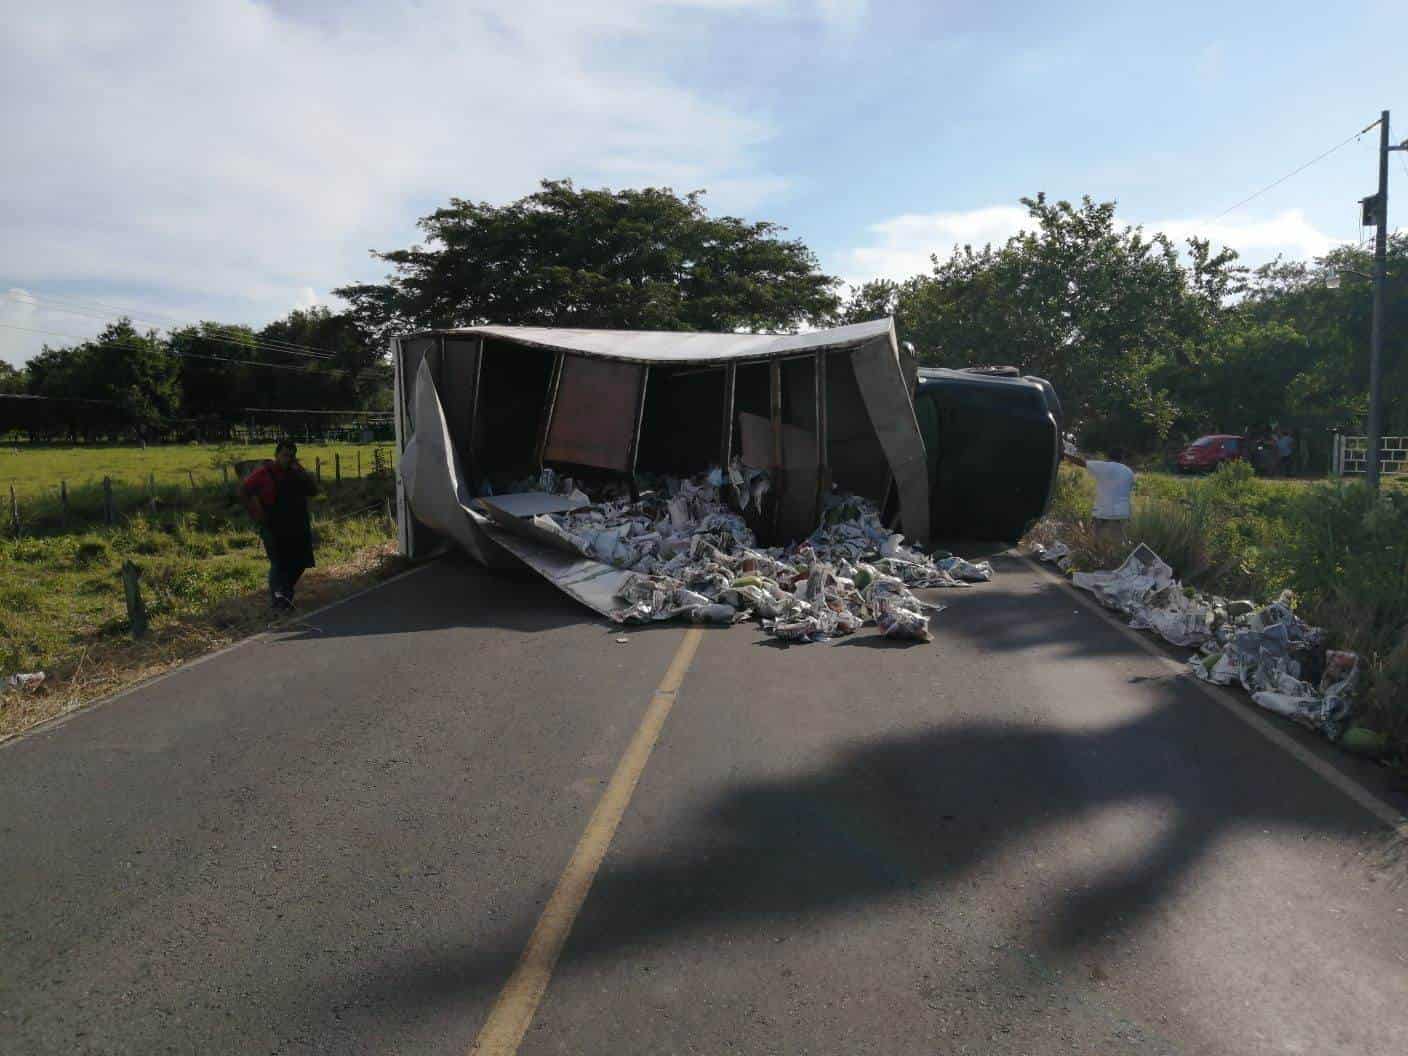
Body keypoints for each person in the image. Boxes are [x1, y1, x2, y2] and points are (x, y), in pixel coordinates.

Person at [241, 440, 318, 612]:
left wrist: (302, 472)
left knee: (300, 562)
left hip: (297, 525)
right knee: (279, 564)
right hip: (273, 525)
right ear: (276, 455)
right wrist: (257, 513)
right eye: (285, 455)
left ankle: (284, 594)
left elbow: (313, 491)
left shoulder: (297, 472)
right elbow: (245, 491)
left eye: (291, 456)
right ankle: (279, 603)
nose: (288, 459)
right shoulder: (263, 473)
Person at [1064, 447, 1135, 544]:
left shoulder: (1103, 466)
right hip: (1122, 514)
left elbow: (1081, 462)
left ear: (1108, 457)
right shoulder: (1129, 471)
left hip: (1103, 513)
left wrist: (1064, 454)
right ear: (1122, 458)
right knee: (1117, 546)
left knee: (1096, 543)